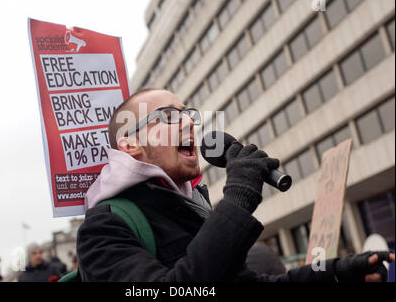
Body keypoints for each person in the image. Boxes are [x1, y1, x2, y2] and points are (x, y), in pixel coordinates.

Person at [76, 88, 394, 282]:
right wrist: (238, 197)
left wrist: (337, 272)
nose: (189, 122)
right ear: (130, 144)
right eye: (169, 116)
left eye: (188, 114)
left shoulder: (189, 208)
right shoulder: (105, 227)